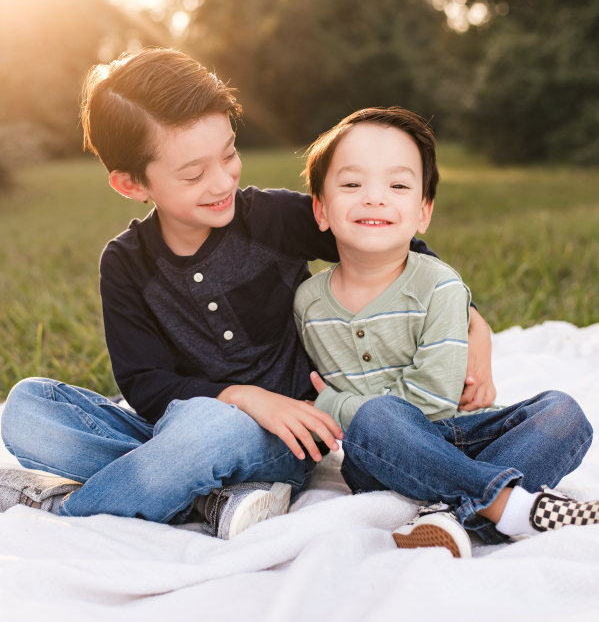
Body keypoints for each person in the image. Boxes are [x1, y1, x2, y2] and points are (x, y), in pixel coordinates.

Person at [0, 49, 494, 540]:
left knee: (210, 432)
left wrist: (473, 322)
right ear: (131, 184)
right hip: (185, 425)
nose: (222, 182)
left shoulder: (271, 218)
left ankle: (68, 511)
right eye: (193, 174)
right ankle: (207, 494)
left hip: (287, 434)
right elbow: (145, 385)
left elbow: (393, 246)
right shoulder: (125, 264)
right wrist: (241, 396)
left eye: (229, 154)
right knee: (27, 408)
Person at [294, 106, 598, 558]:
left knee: (563, 413)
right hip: (379, 455)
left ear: (423, 213)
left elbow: (436, 396)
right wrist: (339, 407)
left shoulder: (441, 285)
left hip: (460, 432)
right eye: (352, 184)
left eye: (397, 185)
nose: (375, 198)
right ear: (320, 209)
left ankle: (447, 517)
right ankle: (508, 507)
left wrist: (337, 402)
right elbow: (339, 410)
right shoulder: (308, 301)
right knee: (376, 418)